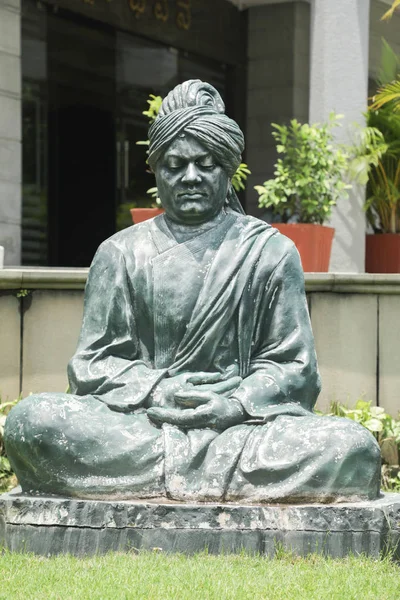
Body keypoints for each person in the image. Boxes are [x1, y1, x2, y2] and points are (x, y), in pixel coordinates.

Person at [4, 80, 381, 503]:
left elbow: (294, 367)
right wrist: (158, 390)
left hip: (240, 429)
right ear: (155, 170)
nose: (191, 177)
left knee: (352, 447)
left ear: (227, 170)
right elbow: (94, 363)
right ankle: (207, 480)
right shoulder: (121, 253)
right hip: (145, 422)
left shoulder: (269, 251)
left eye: (206, 164)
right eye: (175, 164)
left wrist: (235, 404)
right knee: (31, 423)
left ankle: (170, 477)